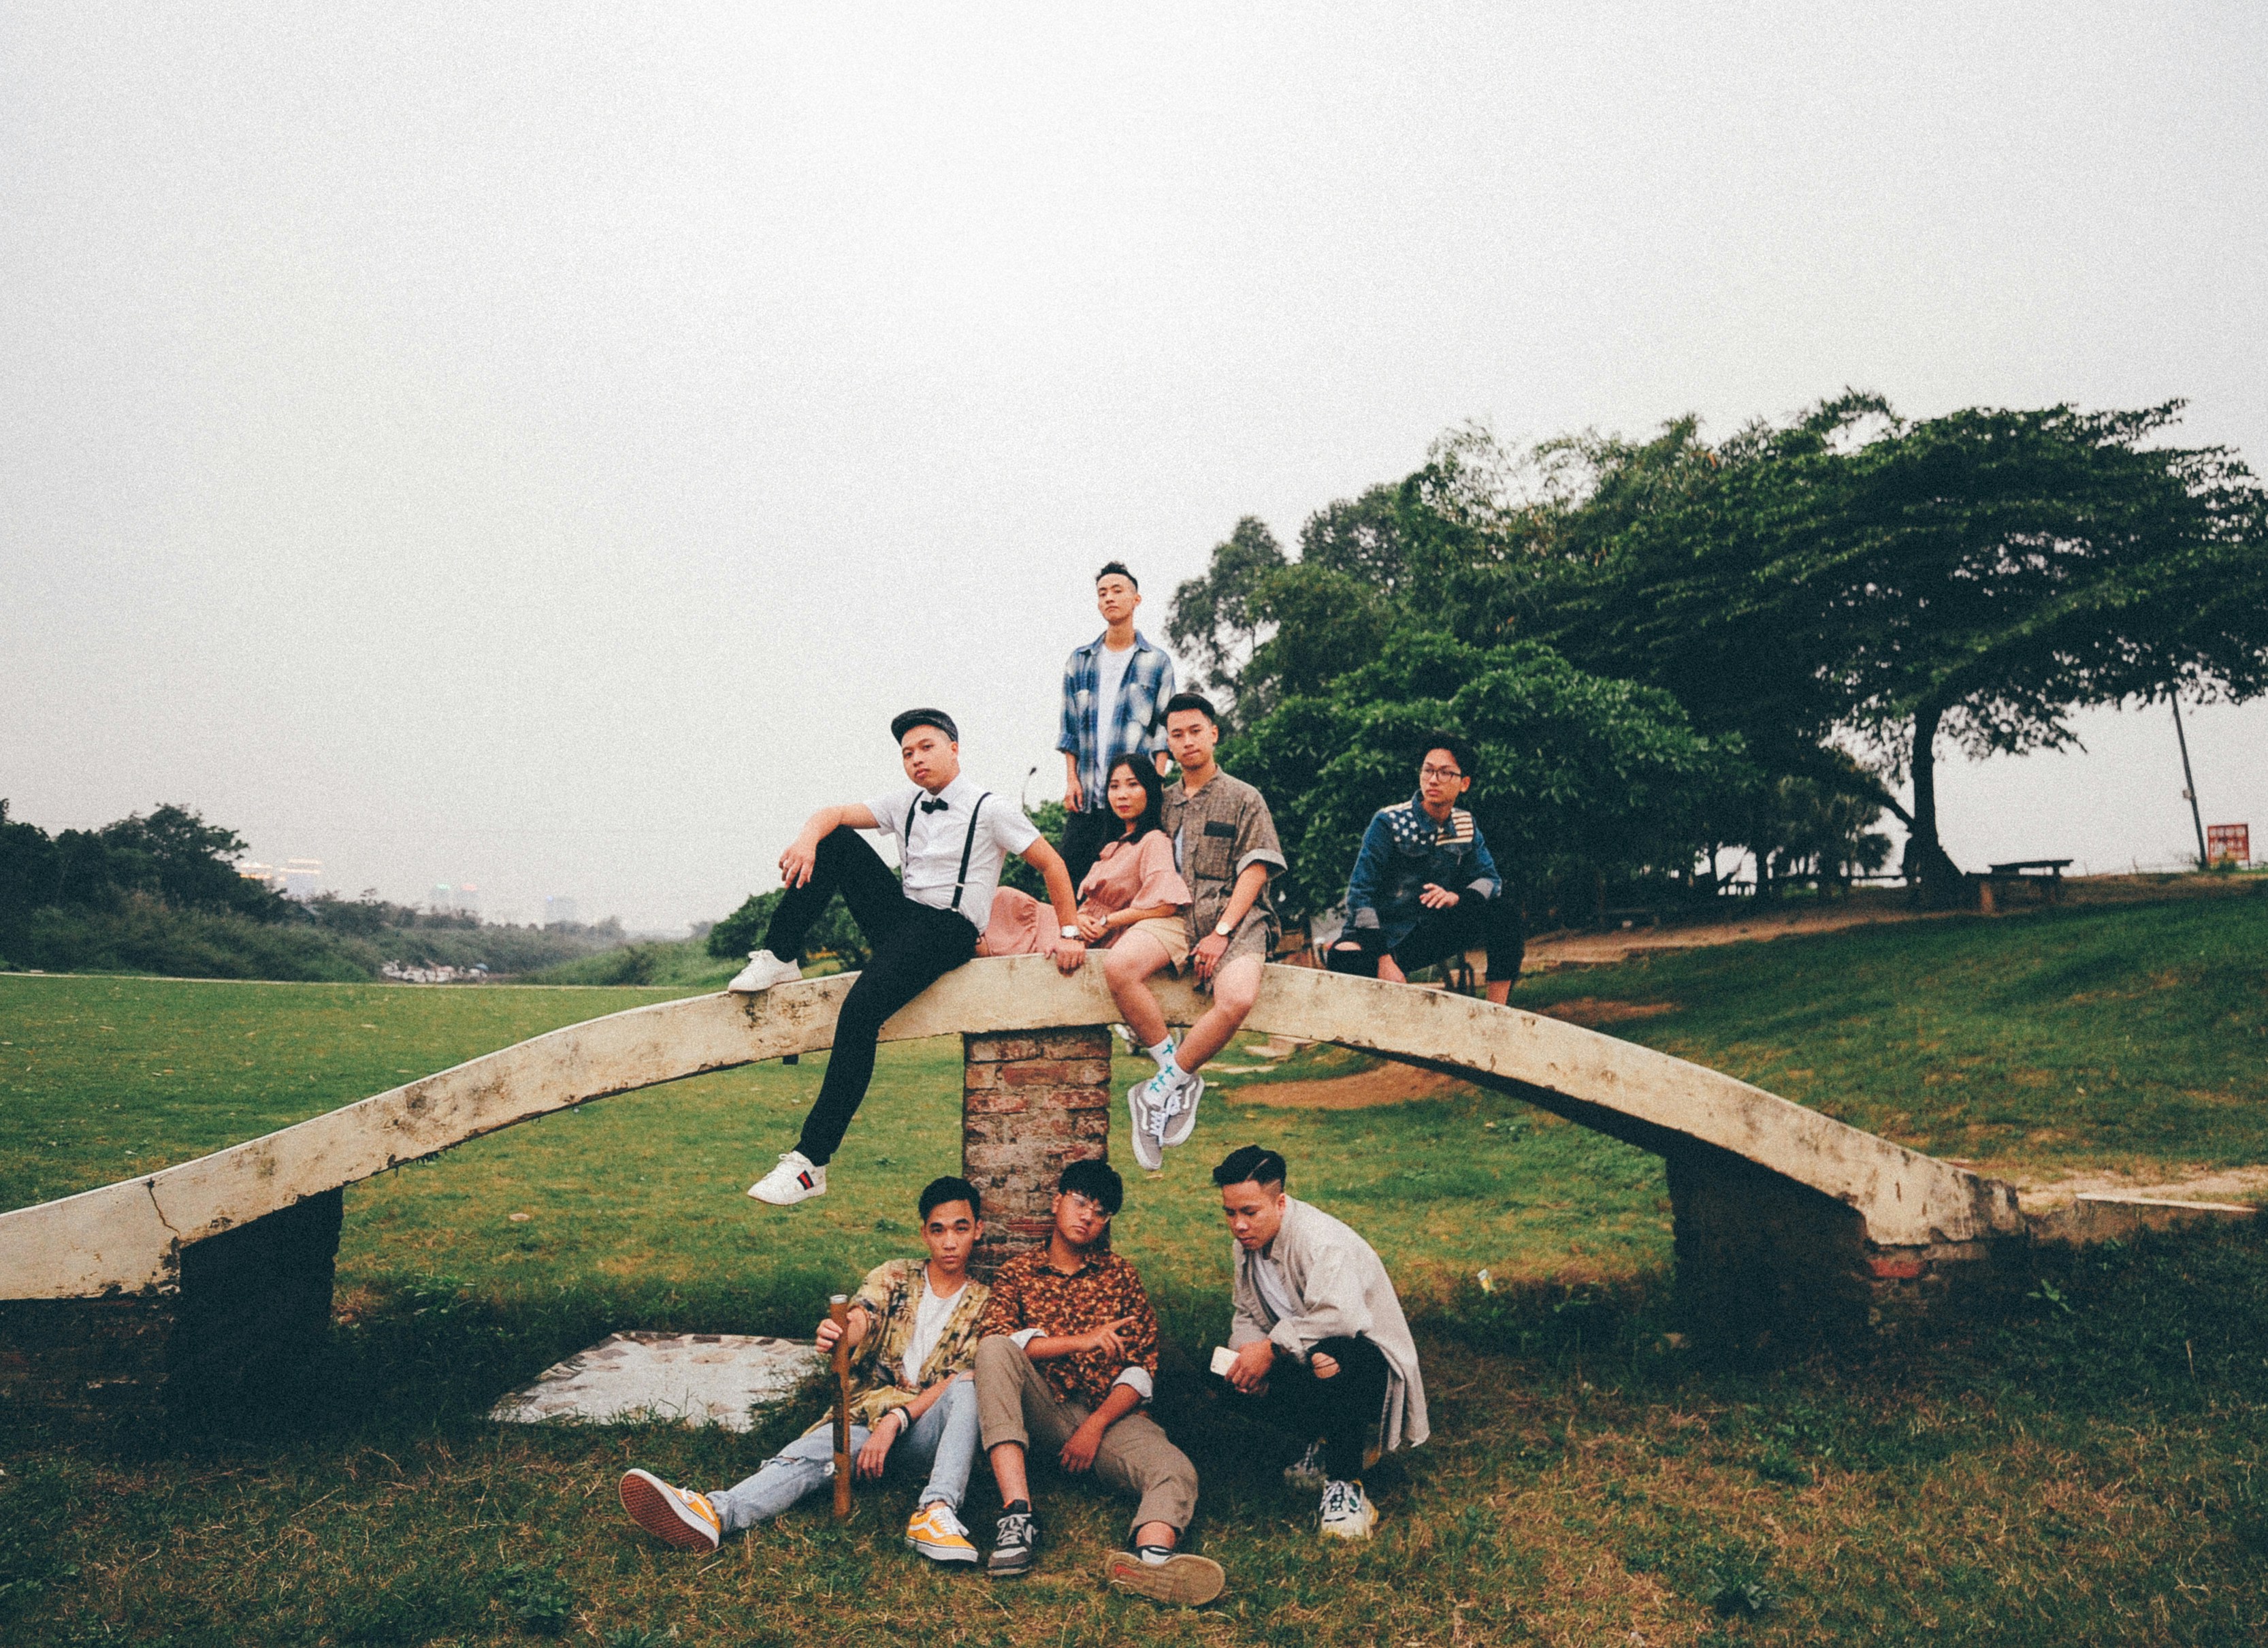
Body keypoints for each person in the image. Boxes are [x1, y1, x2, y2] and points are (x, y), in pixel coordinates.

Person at [730, 709, 1086, 1206]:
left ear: (954, 748)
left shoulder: (990, 807)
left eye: (926, 747)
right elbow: (831, 813)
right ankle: (781, 953)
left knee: (860, 1011)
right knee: (836, 840)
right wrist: (808, 838)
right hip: (900, 921)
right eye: (907, 753)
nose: (916, 759)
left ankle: (812, 1162)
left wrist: (1070, 931)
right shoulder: (906, 803)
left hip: (948, 929)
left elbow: (1052, 862)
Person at [616, 1177, 994, 1562]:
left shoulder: (986, 1302)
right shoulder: (895, 1275)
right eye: (938, 1230)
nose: (950, 1242)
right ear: (924, 1234)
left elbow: (956, 1379)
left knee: (967, 1387)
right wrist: (842, 1333)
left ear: (977, 1230)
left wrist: (895, 1420)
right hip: (863, 1419)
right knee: (805, 1459)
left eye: (961, 1228)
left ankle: (935, 1512)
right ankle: (713, 1514)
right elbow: (866, 1312)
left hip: (925, 1434)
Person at [972, 1159, 1221, 1607]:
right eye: (1081, 1201)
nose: (1088, 1215)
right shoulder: (1017, 1273)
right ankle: (1017, 1515)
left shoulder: (1120, 1274)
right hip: (1044, 1408)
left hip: (1110, 1416)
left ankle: (1152, 1557)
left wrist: (1096, 1425)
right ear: (1057, 1202)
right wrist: (1080, 1341)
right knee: (992, 1350)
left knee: (1174, 1468)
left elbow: (1143, 1364)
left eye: (1101, 1211)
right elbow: (1001, 1340)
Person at [1209, 1145, 1428, 1542]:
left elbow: (1342, 1319)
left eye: (1249, 1212)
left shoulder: (1322, 1241)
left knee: (1330, 1356)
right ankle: (1325, 1443)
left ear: (1279, 1202)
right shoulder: (1247, 1244)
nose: (1238, 1225)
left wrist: (1271, 1350)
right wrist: (1247, 1355)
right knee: (1225, 1375)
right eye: (1230, 1213)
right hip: (1302, 1352)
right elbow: (1245, 1312)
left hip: (1365, 1362)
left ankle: (1346, 1485)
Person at [1116, 692, 1285, 1171]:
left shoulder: (1244, 796)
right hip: (1173, 921)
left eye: (1195, 731)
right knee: (1120, 970)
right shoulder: (1162, 804)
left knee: (1235, 999)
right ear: (1167, 744)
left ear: (1214, 733)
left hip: (1237, 922)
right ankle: (1179, 1080)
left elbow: (1255, 871)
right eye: (1177, 734)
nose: (1187, 741)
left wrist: (1223, 931)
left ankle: (1158, 1091)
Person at [1325, 733, 1521, 1004]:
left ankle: (1497, 1012)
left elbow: (1490, 879)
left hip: (1429, 932)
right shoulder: (1389, 822)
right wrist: (1383, 960)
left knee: (1503, 910)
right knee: (1343, 956)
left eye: (1445, 773)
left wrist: (1458, 898)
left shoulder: (1466, 824)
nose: (1433, 779)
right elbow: (1360, 893)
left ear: (1464, 784)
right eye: (1428, 770)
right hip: (1382, 935)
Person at [981, 754, 1191, 969]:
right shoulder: (1116, 845)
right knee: (1002, 900)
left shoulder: (1154, 841)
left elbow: (1165, 906)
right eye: (1114, 787)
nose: (1122, 795)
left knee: (1004, 912)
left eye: (1133, 785)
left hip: (1103, 936)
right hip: (1079, 925)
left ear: (1150, 790)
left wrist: (1107, 922)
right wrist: (1077, 919)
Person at [1057, 562, 1178, 890]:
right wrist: (1071, 779)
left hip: (1132, 802)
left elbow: (1163, 729)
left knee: (1125, 886)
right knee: (1070, 881)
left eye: (1118, 590)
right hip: (1088, 796)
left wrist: (1157, 782)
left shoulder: (1156, 661)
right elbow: (1069, 729)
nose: (1109, 598)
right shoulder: (1079, 661)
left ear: (1136, 599)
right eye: (1102, 593)